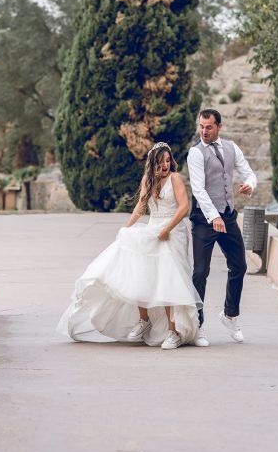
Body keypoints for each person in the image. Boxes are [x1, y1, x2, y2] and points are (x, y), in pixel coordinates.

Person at [57, 142, 202, 350]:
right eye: (161, 162)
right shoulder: (148, 180)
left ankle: (174, 331)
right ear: (153, 164)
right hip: (153, 228)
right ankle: (144, 320)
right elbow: (141, 207)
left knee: (169, 279)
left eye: (168, 161)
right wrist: (125, 229)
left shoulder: (175, 178)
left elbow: (183, 208)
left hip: (173, 231)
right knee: (141, 270)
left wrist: (167, 229)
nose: (165, 165)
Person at [187, 108, 257, 346]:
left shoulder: (231, 147)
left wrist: (249, 185)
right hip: (204, 219)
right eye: (201, 127)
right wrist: (212, 216)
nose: (204, 131)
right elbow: (198, 189)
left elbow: (249, 173)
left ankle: (229, 315)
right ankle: (197, 325)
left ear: (219, 126)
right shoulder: (195, 153)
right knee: (200, 272)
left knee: (239, 266)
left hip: (227, 217)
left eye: (209, 127)